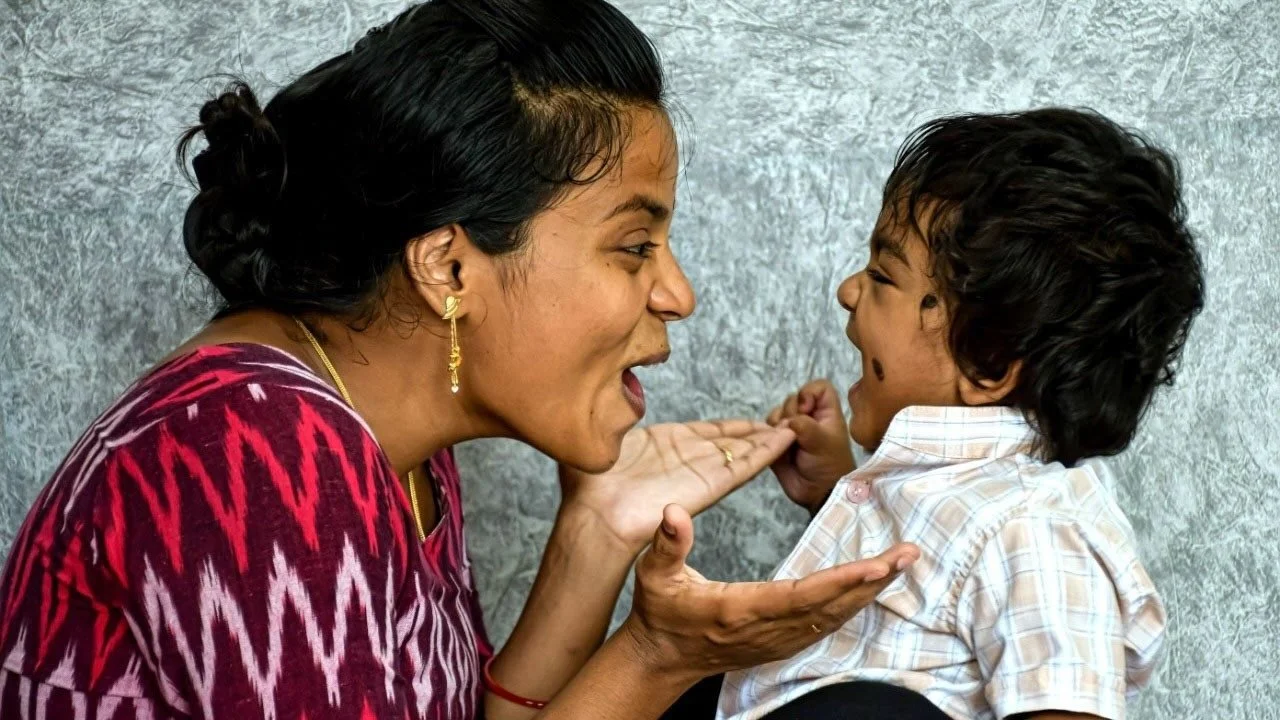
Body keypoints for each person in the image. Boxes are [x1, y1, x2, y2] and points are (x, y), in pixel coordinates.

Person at [0, 1, 921, 718]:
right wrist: (656, 657)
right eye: (634, 247)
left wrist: (594, 538)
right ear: (448, 267)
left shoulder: (384, 428)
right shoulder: (251, 453)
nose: (679, 294)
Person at [702, 109, 1204, 720]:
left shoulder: (1034, 531)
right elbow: (908, 614)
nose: (848, 290)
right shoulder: (960, 498)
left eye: (882, 275)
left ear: (988, 362)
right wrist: (834, 490)